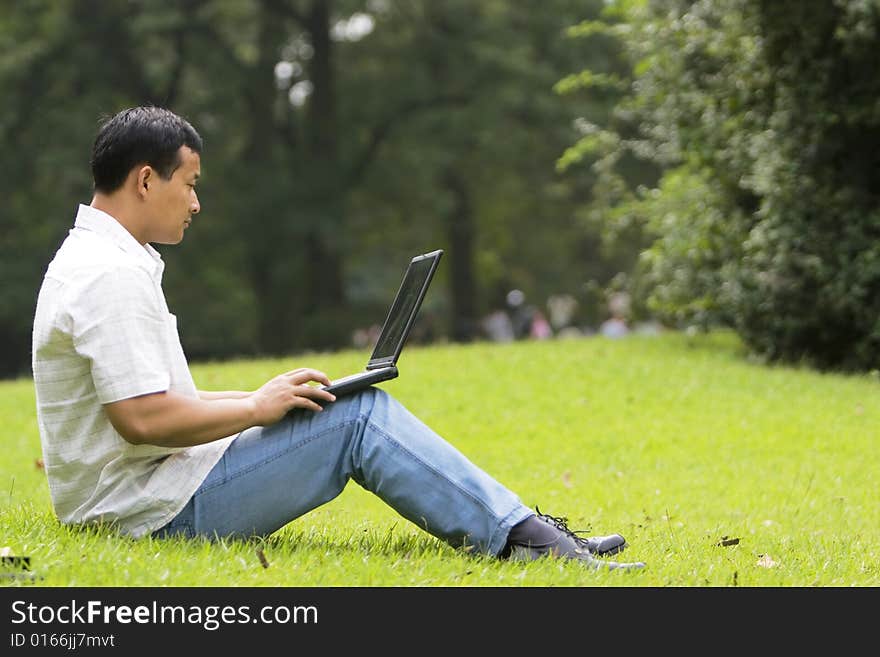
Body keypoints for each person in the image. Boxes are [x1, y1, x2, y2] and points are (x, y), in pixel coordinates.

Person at [31, 106, 645, 572]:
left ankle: (524, 529)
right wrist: (251, 410)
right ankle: (530, 542)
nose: (195, 203)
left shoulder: (102, 258)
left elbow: (153, 400)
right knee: (357, 418)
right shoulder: (110, 275)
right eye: (188, 184)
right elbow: (140, 417)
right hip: (147, 515)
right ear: (145, 180)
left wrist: (260, 396)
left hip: (150, 492)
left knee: (343, 407)